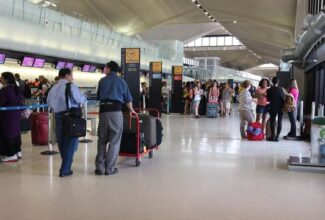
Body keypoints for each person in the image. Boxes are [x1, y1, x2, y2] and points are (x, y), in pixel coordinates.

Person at [95, 61, 136, 176]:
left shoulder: (102, 81)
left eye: (105, 68)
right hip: (116, 112)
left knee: (102, 140)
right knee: (114, 141)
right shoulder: (121, 81)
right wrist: (131, 110)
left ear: (108, 69)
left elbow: (98, 97)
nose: (104, 70)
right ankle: (110, 169)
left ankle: (99, 167)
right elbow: (128, 99)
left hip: (103, 112)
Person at [47, 68, 86, 177]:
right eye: (71, 75)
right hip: (70, 117)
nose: (72, 77)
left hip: (58, 117)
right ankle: (65, 169)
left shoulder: (53, 88)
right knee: (70, 142)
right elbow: (80, 99)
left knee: (62, 142)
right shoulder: (71, 86)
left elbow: (49, 102)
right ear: (66, 75)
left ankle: (66, 164)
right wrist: (84, 97)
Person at [0, 72, 24, 162]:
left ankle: (11, 154)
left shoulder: (5, 90)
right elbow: (21, 100)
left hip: (6, 115)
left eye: (2, 78)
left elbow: (1, 102)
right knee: (16, 132)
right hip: (16, 114)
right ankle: (18, 152)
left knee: (8, 134)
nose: (0, 79)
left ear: (6, 79)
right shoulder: (15, 88)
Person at [266, 77, 285, 142]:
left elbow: (268, 99)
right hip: (280, 107)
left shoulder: (269, 90)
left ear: (272, 82)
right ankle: (277, 137)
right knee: (280, 121)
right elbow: (283, 98)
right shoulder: (281, 89)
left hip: (272, 107)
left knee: (272, 121)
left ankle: (272, 136)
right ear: (278, 82)